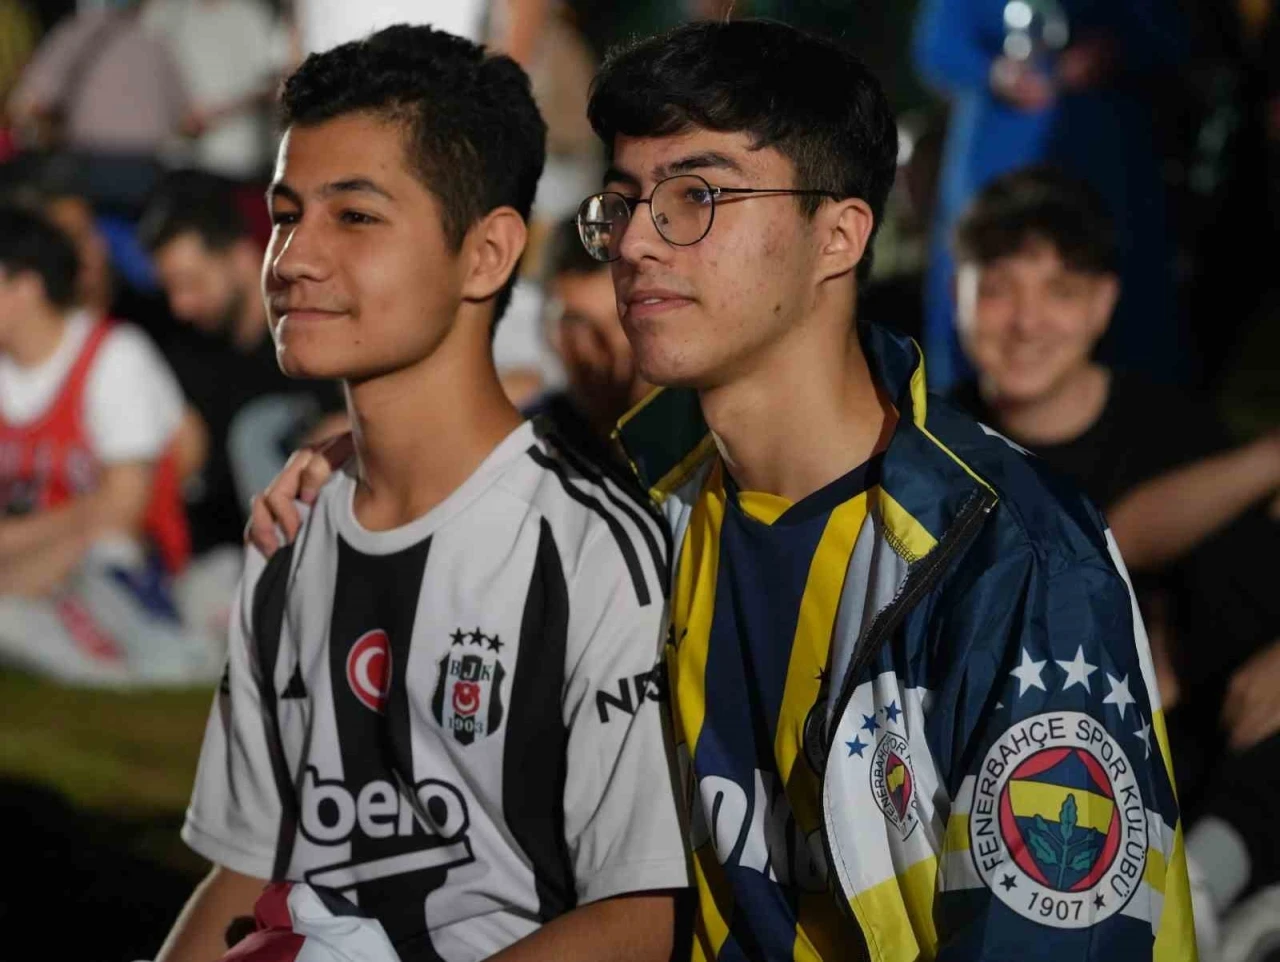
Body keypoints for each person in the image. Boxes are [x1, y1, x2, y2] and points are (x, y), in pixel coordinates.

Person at [252, 18, 1196, 961]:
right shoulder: (641, 494)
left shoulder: (1006, 554)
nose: (636, 243)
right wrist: (383, 461)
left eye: (696, 196)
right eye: (624, 202)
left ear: (838, 235)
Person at [157, 25, 686, 962]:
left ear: (486, 254)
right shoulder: (290, 528)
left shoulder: (590, 550)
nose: (293, 258)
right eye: (285, 214)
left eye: (355, 217)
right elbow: (244, 867)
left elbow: (643, 917)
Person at [948, 165, 1280, 952]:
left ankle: (1212, 886)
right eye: (999, 289)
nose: (1027, 321)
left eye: (1060, 291)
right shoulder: (930, 444)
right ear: (956, 291)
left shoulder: (1171, 431)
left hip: (1200, 772)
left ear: (1102, 304)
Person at [913, 0, 1189, 392]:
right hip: (996, 160)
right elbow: (937, 47)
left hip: (1108, 163)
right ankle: (963, 406)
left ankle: (1139, 403)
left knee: (1126, 295)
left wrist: (1114, 51)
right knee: (984, 280)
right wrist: (993, 73)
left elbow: (1173, 38)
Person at [0, 204, 211, 685]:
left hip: (127, 573)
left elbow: (121, 511)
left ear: (26, 286)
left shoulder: (113, 355)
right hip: (34, 567)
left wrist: (11, 560)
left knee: (107, 555)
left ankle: (151, 660)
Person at [139, 171, 344, 554]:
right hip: (224, 558)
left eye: (192, 283)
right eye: (171, 290)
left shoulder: (317, 335)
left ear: (242, 256)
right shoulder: (184, 355)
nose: (180, 306)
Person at [7, 0, 189, 213]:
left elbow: (26, 103)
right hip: (145, 168)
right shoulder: (154, 40)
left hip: (89, 165)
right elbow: (185, 116)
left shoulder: (75, 33)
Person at [525, 217, 652, 470]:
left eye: (621, 318)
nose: (611, 347)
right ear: (549, 331)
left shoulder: (707, 433)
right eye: (579, 324)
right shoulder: (528, 443)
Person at [141, 0, 290, 181]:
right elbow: (145, 66)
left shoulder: (253, 14)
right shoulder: (167, 10)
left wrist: (219, 114)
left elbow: (274, 81)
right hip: (174, 157)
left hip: (236, 158)